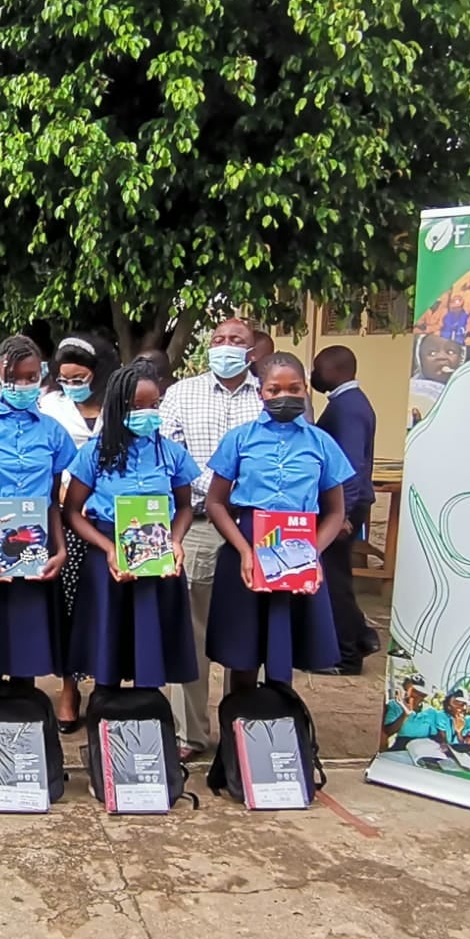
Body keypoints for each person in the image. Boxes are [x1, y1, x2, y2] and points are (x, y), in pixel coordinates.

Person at [203, 352, 354, 692]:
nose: (284, 396)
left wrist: (312, 554)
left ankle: (282, 724)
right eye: (274, 390)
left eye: (294, 388)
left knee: (284, 647)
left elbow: (335, 511)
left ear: (305, 390)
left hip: (299, 549)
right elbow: (215, 502)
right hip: (248, 547)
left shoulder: (321, 443)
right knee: (243, 650)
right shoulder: (239, 439)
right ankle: (239, 730)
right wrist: (243, 550)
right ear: (260, 392)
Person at [159, 316, 264, 759]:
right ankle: (190, 734)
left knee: (249, 631)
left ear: (252, 349)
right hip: (200, 524)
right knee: (192, 631)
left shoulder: (273, 393)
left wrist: (241, 495)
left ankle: (245, 726)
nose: (225, 346)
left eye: (235, 340)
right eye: (218, 339)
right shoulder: (182, 394)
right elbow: (168, 454)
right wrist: (220, 488)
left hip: (258, 529)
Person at [63, 360, 199, 692]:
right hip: (107, 561)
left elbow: (185, 506)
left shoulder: (172, 453)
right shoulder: (95, 453)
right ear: (117, 406)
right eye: (137, 406)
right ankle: (105, 718)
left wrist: (176, 541)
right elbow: (72, 512)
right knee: (107, 649)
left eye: (153, 405)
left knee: (149, 651)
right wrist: (108, 548)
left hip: (158, 559)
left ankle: (147, 716)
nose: (147, 413)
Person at [0, 335, 75, 685]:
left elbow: (53, 497)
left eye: (31, 376)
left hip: (37, 541)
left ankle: (25, 724)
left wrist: (60, 549)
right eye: (14, 378)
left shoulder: (53, 433)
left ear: (42, 376)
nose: (23, 385)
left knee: (27, 648)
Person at [39, 334, 118, 729]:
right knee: (70, 605)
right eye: (65, 378)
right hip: (67, 518)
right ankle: (69, 688)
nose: (73, 386)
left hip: (111, 519)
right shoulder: (49, 406)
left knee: (105, 606)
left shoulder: (121, 404)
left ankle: (106, 686)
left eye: (80, 377)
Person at [311, 345, 377, 676]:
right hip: (344, 506)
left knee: (335, 581)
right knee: (336, 578)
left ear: (334, 370)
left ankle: (347, 655)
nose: (313, 377)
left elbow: (350, 464)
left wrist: (344, 516)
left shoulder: (348, 408)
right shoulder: (345, 403)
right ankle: (362, 637)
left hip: (345, 508)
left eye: (316, 369)